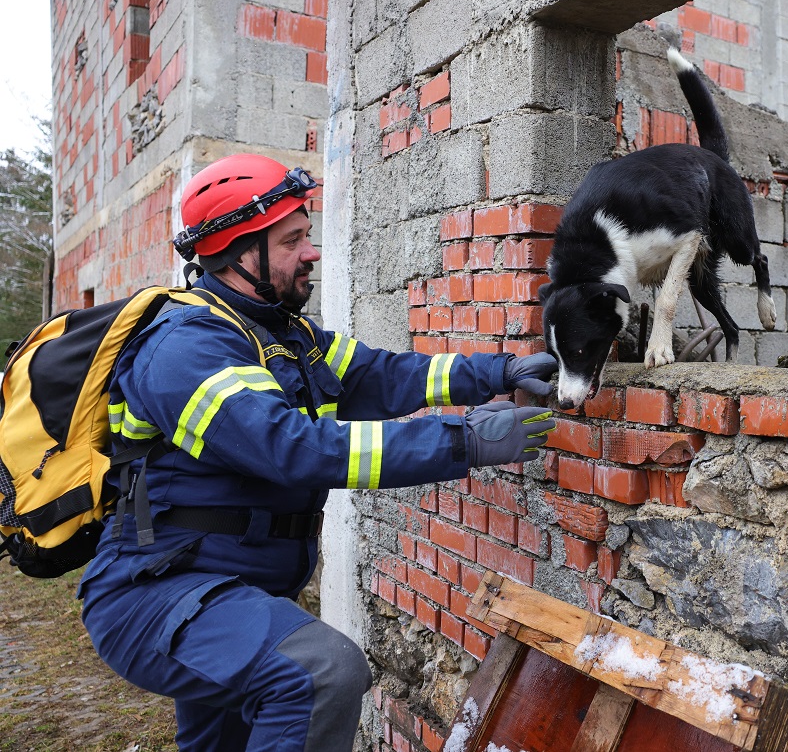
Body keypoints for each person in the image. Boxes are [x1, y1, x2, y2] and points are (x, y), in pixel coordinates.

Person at [78, 154, 558, 751]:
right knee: (323, 671)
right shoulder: (185, 347)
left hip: (228, 589)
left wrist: (497, 372)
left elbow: (382, 375)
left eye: (307, 235)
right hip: (156, 593)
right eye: (292, 241)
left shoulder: (283, 335)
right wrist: (465, 440)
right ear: (235, 254)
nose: (312, 252)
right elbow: (293, 449)